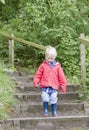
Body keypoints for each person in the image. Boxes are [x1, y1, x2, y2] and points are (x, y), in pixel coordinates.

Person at [33, 46, 67, 117]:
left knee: (53, 99)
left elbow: (62, 77)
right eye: (48, 58)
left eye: (52, 58)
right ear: (46, 57)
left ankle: (54, 111)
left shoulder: (58, 67)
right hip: (44, 86)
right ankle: (45, 110)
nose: (50, 60)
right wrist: (36, 82)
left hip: (54, 87)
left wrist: (63, 86)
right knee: (45, 98)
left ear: (55, 57)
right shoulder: (43, 66)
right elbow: (38, 74)